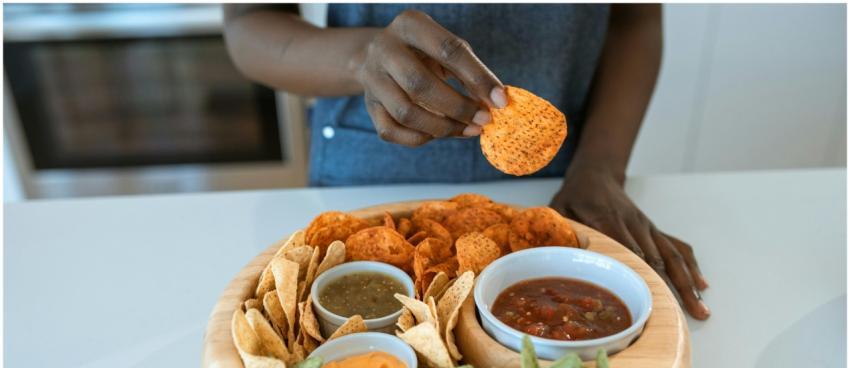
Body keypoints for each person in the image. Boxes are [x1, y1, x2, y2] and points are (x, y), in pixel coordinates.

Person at [223, 4, 710, 320]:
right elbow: (249, 21)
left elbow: (635, 19)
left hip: (561, 185)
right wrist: (359, 58)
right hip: (365, 171)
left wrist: (601, 167)